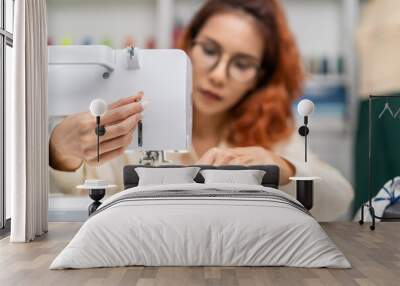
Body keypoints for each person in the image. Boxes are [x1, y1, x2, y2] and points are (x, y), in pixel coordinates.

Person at [49, 0, 353, 221]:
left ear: (259, 77)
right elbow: (71, 189)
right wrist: (59, 150)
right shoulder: (136, 117)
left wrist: (282, 166)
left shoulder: (270, 135)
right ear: (187, 45)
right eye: (209, 50)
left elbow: (339, 198)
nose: (219, 75)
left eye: (242, 64)